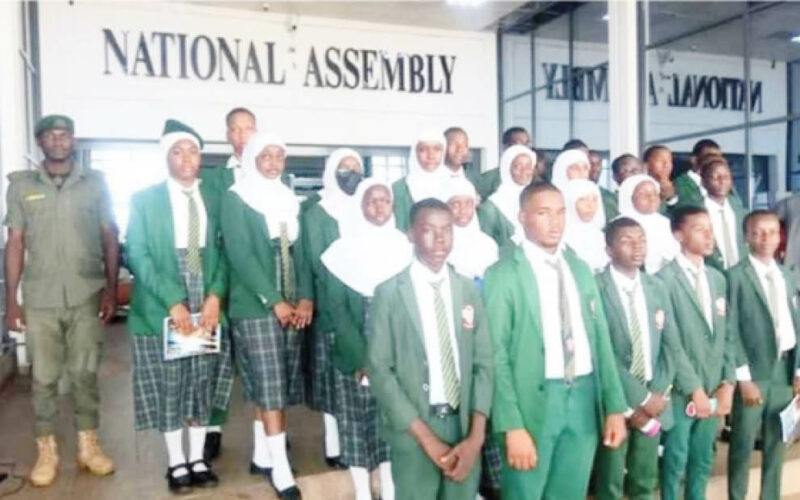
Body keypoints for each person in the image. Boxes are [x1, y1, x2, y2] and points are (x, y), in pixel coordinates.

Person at [484, 182, 627, 499]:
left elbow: (600, 341)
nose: (555, 222)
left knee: (570, 492)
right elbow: (496, 356)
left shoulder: (580, 269)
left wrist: (615, 407)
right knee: (525, 492)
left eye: (561, 212)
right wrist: (511, 426)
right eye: (543, 213)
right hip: (533, 402)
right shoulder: (503, 274)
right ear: (522, 217)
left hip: (582, 397)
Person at [5, 115, 118, 487]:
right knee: (43, 377)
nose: (58, 140)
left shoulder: (94, 184)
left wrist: (111, 289)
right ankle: (46, 450)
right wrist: (12, 301)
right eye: (50, 135)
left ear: (73, 140)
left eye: (65, 134)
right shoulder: (22, 187)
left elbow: (109, 236)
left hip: (86, 294)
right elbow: (16, 243)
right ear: (40, 142)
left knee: (85, 374)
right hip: (41, 298)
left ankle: (88, 446)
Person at [126, 119, 228, 494]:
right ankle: (176, 463)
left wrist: (215, 295)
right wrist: (173, 300)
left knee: (201, 381)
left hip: (207, 295)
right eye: (178, 151)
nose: (187, 159)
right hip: (161, 300)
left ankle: (198, 458)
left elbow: (224, 250)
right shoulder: (145, 199)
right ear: (165, 156)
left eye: (193, 151)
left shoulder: (213, 197)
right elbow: (137, 253)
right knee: (171, 384)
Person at [368, 199, 493, 500]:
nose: (439, 239)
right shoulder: (389, 293)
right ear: (410, 233)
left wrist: (476, 437)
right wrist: (427, 439)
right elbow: (380, 370)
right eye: (428, 230)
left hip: (463, 426)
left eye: (447, 230)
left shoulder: (467, 290)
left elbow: (484, 363)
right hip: (414, 430)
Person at [220, 132, 304, 499]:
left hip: (289, 300)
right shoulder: (236, 198)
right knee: (270, 387)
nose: (272, 163)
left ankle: (262, 455)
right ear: (252, 158)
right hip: (255, 304)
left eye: (279, 156)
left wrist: (302, 298)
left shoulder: (288, 199)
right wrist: (274, 300)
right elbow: (240, 255)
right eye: (265, 156)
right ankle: (281, 471)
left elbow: (299, 253)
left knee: (272, 381)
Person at [321, 178, 411, 499]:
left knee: (390, 422)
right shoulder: (339, 252)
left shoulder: (405, 247)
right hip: (354, 354)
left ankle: (387, 491)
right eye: (371, 201)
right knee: (356, 424)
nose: (379, 207)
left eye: (385, 201)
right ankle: (362, 492)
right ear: (359, 206)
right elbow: (337, 311)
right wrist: (363, 359)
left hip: (397, 355)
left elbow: (409, 306)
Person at [594, 217, 680, 500]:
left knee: (644, 481)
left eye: (641, 240)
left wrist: (658, 393)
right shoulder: (596, 288)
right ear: (608, 249)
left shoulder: (656, 287)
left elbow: (670, 346)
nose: (637, 247)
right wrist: (639, 400)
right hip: (615, 402)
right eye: (627, 241)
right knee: (610, 483)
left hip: (654, 400)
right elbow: (601, 352)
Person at [658, 205, 735, 500]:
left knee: (703, 460)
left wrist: (727, 383)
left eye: (710, 229)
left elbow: (727, 335)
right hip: (681, 391)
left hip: (714, 385)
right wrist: (695, 390)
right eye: (699, 229)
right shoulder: (664, 279)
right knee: (676, 459)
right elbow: (671, 343)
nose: (708, 236)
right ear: (678, 234)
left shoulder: (717, 278)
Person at [297, 148, 365, 468]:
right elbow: (308, 263)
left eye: (355, 168)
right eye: (343, 168)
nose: (350, 174)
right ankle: (334, 443)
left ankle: (360, 438)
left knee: (359, 375)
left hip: (364, 306)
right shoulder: (316, 214)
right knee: (331, 378)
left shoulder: (366, 209)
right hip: (329, 304)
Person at [727, 210, 800, 500]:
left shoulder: (787, 274)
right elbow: (730, 330)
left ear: (780, 236)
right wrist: (743, 378)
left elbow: (796, 323)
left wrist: (798, 371)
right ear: (746, 237)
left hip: (783, 372)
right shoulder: (735, 276)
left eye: (772, 232)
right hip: (753, 375)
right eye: (758, 232)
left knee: (777, 443)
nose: (766, 238)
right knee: (743, 446)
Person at [203, 107, 256, 462]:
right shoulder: (212, 181)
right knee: (216, 361)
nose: (242, 137)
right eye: (235, 130)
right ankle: (212, 429)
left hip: (257, 287)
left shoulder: (273, 176)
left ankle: (269, 434)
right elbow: (210, 235)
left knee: (260, 364)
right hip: (222, 282)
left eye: (248, 129)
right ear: (227, 135)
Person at [477, 145, 537, 252]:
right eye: (517, 166)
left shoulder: (535, 200)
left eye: (528, 166)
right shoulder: (490, 208)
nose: (524, 171)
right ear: (507, 168)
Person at [618, 174, 680, 274]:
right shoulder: (620, 226)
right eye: (644, 195)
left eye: (655, 193)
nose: (652, 198)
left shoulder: (665, 222)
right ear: (630, 197)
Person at [444, 178, 499, 284]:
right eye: (456, 204)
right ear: (445, 207)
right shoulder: (439, 244)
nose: (463, 210)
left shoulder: (488, 244)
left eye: (468, 204)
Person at [392, 131, 447, 231]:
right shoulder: (399, 188)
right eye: (423, 150)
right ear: (415, 152)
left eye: (437, 149)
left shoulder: (456, 185)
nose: (431, 155)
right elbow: (398, 229)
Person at [700, 155, 747, 271]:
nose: (721, 181)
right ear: (704, 182)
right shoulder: (696, 211)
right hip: (710, 272)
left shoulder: (741, 211)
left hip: (740, 273)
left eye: (726, 177)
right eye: (715, 177)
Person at [563, 179, 608, 272]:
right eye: (582, 199)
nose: (590, 206)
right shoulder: (562, 238)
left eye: (594, 200)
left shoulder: (601, 237)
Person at [478, 126, 532, 199]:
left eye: (527, 144)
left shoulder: (535, 178)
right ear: (506, 146)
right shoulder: (487, 179)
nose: (524, 148)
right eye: (520, 144)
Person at [673, 139, 721, 206]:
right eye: (710, 156)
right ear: (694, 160)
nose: (714, 161)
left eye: (718, 158)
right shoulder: (679, 184)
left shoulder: (723, 183)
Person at [443, 127, 483, 193]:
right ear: (443, 147)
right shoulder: (433, 177)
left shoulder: (474, 177)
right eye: (454, 144)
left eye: (464, 145)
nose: (460, 150)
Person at [643, 145, 677, 209]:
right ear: (646, 165)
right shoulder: (640, 187)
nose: (666, 165)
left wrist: (671, 197)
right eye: (660, 160)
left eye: (669, 161)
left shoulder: (678, 184)